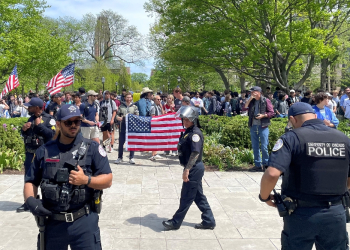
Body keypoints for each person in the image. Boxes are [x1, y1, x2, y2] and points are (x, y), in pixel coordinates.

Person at [259, 102, 350, 250]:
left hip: (301, 213)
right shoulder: (343, 139)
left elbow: (272, 173)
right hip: (335, 212)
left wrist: (264, 197)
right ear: (314, 116)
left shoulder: (291, 138)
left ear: (293, 119)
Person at [23, 104, 112, 250]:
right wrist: (31, 201)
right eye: (68, 122)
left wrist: (86, 180)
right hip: (52, 222)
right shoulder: (44, 151)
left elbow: (108, 179)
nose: (73, 125)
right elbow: (31, 181)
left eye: (77, 121)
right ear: (58, 124)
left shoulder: (93, 148)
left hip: (84, 221)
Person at [162, 106, 216, 230]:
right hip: (193, 168)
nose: (184, 122)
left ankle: (176, 222)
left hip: (194, 168)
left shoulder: (195, 134)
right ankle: (209, 220)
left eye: (187, 120)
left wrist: (187, 170)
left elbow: (195, 153)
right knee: (198, 196)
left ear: (193, 119)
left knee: (186, 196)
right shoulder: (188, 132)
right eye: (183, 119)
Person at [16, 98, 56, 213]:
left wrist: (40, 126)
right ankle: (28, 202)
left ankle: (48, 202)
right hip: (30, 153)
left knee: (46, 178)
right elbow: (27, 135)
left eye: (30, 106)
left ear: (37, 108)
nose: (28, 108)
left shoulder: (49, 119)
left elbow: (53, 135)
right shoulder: (31, 118)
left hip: (44, 154)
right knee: (29, 178)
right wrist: (23, 129)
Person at [245, 86, 275, 172]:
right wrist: (250, 99)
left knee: (264, 146)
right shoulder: (252, 101)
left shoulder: (266, 100)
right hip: (253, 125)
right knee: (255, 146)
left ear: (258, 92)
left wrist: (263, 115)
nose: (251, 93)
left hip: (263, 126)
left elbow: (271, 113)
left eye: (253, 92)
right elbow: (244, 107)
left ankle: (265, 164)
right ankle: (257, 165)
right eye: (251, 92)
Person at [114, 92, 139, 164]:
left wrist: (130, 117)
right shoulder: (121, 106)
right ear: (125, 98)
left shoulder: (134, 107)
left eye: (130, 97)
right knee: (121, 143)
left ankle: (131, 157)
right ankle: (120, 157)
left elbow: (137, 115)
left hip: (131, 127)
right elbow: (117, 115)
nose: (128, 99)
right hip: (123, 127)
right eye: (127, 97)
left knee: (132, 142)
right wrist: (119, 118)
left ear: (132, 98)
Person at [149, 95, 165, 161]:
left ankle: (155, 153)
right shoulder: (153, 107)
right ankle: (153, 154)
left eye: (160, 99)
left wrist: (161, 108)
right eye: (158, 99)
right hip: (155, 126)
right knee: (154, 140)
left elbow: (163, 115)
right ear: (154, 100)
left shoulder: (158, 106)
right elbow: (152, 117)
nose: (159, 101)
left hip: (158, 125)